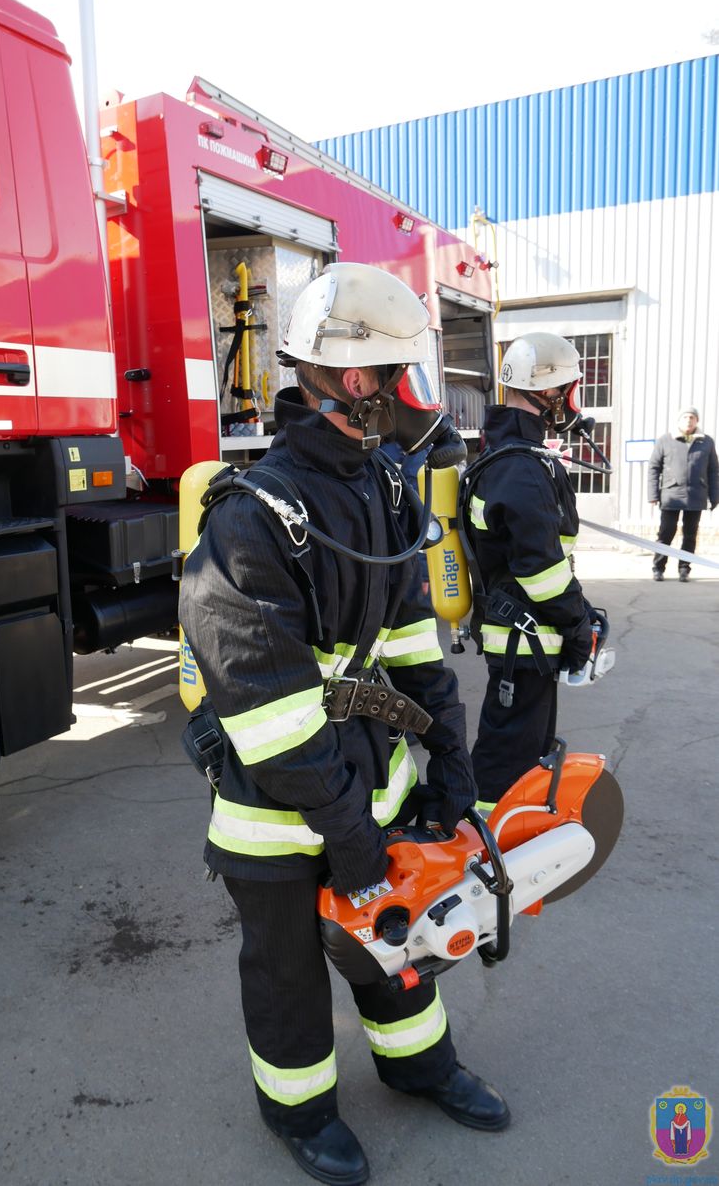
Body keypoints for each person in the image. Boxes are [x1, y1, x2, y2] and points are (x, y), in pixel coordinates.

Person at [179, 263, 508, 1186]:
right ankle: (300, 1112)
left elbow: (410, 650)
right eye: (410, 378)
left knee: (394, 934)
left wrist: (450, 761)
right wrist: (350, 835)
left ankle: (421, 1068)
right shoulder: (250, 522)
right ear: (355, 381)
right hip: (280, 810)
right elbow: (273, 716)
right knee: (287, 973)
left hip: (369, 783)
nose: (422, 403)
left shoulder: (384, 492)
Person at [464, 332, 597, 808]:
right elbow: (540, 571)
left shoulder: (513, 458)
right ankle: (479, 853)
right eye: (569, 390)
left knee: (527, 753)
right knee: (508, 759)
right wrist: (576, 623)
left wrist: (580, 610)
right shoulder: (520, 469)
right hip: (525, 641)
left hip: (528, 638)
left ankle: (506, 843)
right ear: (549, 393)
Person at [647, 407, 718, 581]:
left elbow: (713, 471)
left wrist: (715, 497)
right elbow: (654, 468)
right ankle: (658, 567)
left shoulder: (706, 442)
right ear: (679, 420)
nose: (689, 420)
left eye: (692, 417)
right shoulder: (665, 440)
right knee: (666, 533)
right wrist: (652, 494)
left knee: (690, 535)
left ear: (697, 421)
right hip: (671, 494)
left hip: (696, 496)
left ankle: (684, 569)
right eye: (685, 417)